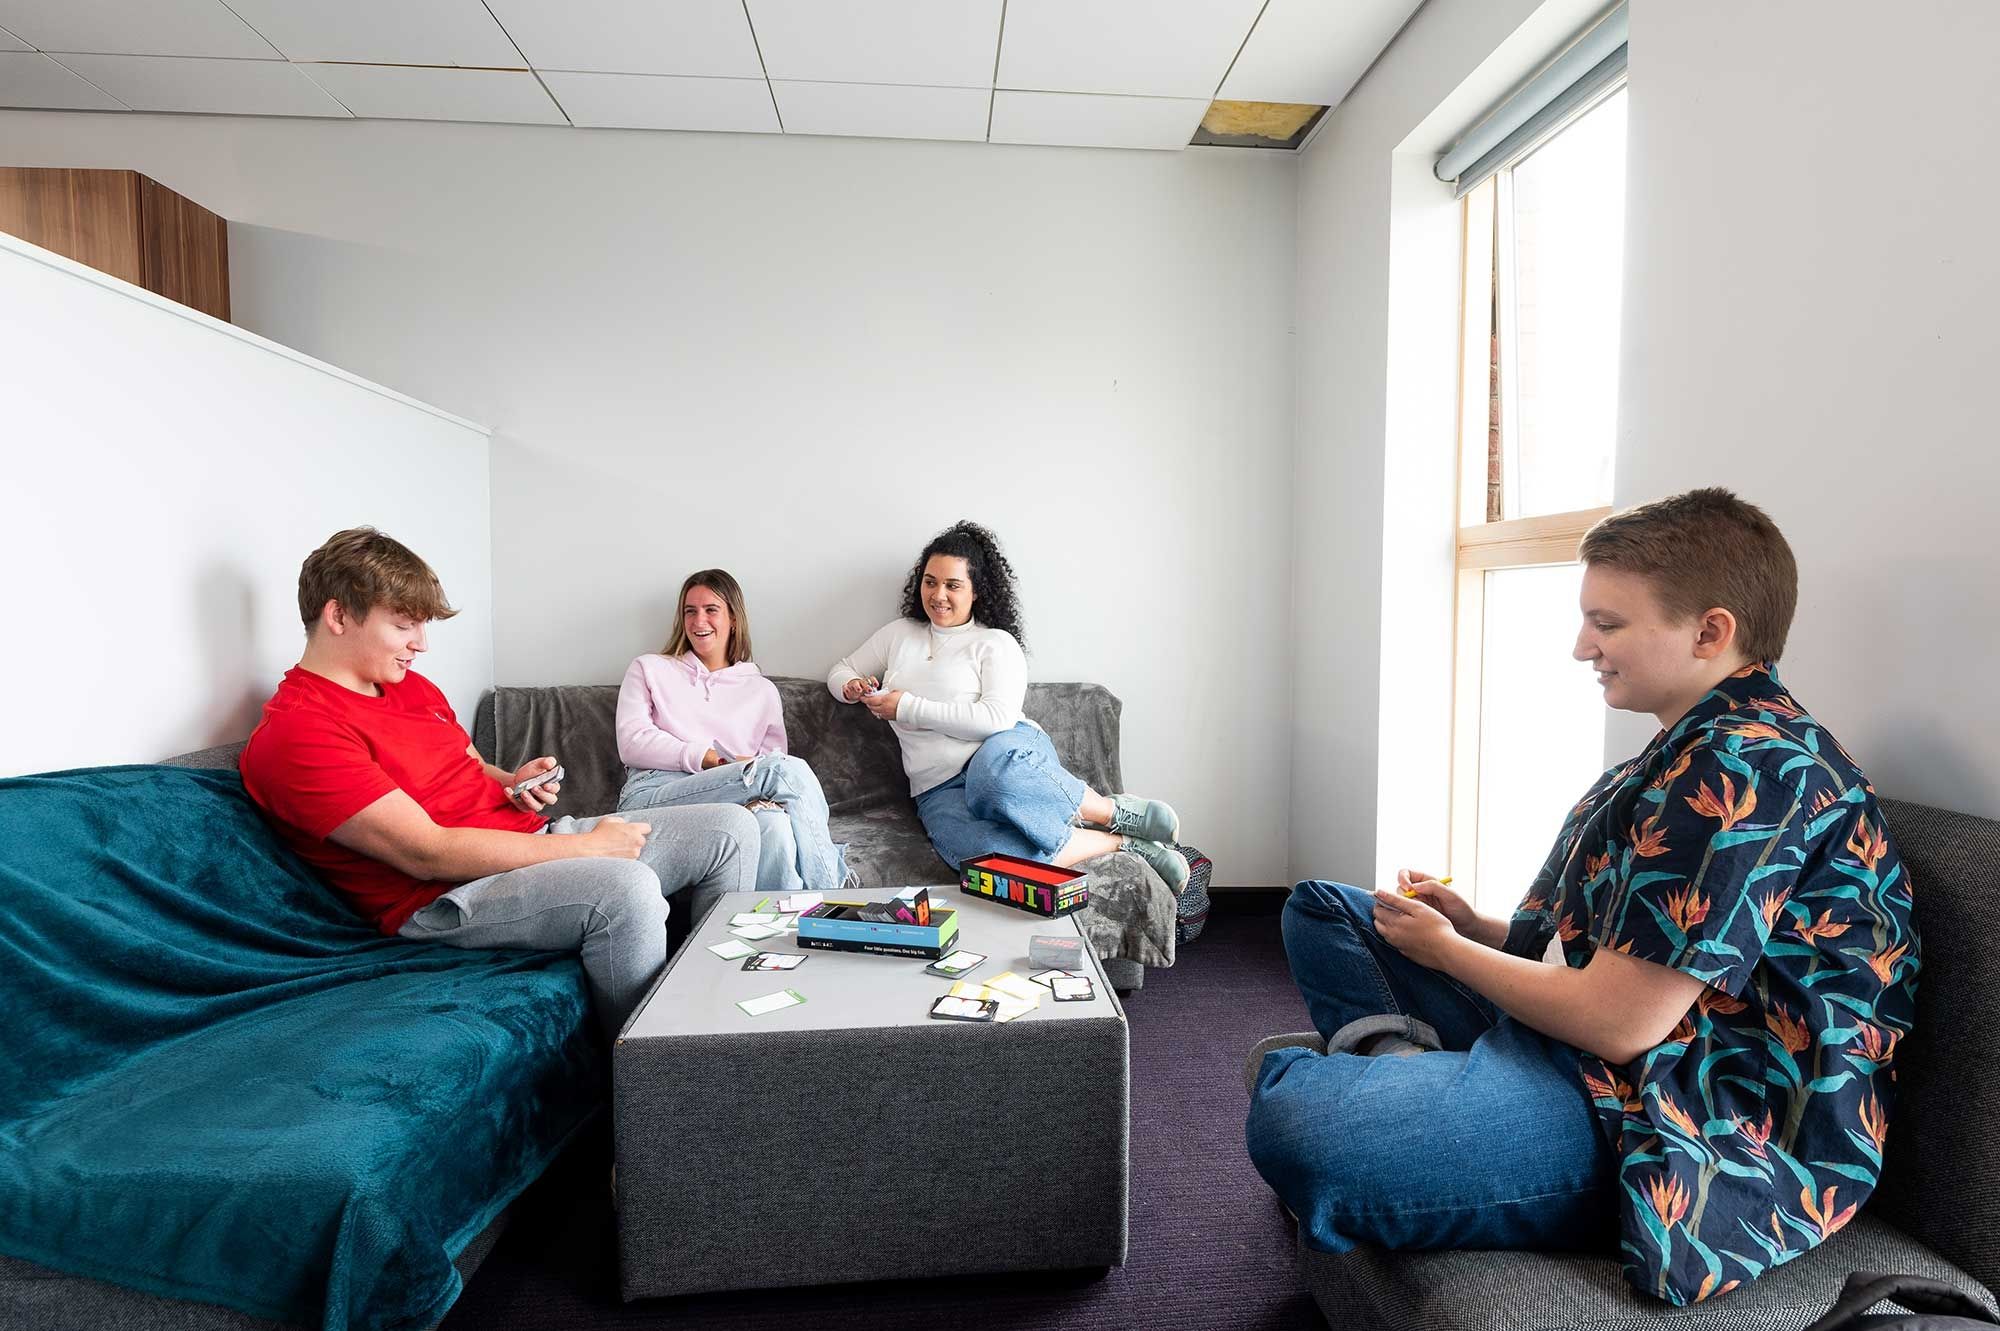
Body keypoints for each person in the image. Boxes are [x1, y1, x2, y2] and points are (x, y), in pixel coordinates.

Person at [1244, 489, 1918, 1305]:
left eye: (1607, 623)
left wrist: (1449, 953)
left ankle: (1414, 1084)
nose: (1580, 647)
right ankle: (1420, 1073)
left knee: (1299, 1122)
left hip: (1675, 1112)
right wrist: (1476, 927)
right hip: (1601, 1047)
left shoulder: (1750, 767)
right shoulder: (1692, 745)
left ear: (1711, 631)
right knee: (1324, 909)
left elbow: (1621, 1022)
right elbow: (1622, 953)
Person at [238, 527, 759, 1039]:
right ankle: (655, 1078)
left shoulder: (408, 685)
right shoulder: (299, 731)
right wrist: (586, 849)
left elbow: (464, 764)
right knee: (626, 890)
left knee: (733, 829)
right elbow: (427, 853)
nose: (420, 644)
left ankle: (716, 1025)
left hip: (527, 842)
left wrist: (513, 782)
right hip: (449, 894)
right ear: (338, 616)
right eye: (403, 626)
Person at [827, 520, 1188, 893]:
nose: (938, 595)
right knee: (988, 866)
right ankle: (1124, 845)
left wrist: (906, 708)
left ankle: (1116, 814)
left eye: (953, 585)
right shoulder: (897, 635)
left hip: (1002, 753)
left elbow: (995, 720)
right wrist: (852, 687)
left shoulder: (995, 643)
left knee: (993, 781)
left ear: (977, 591)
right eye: (930, 581)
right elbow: (840, 671)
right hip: (937, 788)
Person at [615, 568, 845, 893]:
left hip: (733, 804)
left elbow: (770, 777)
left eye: (711, 610)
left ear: (733, 618)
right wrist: (710, 758)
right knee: (783, 770)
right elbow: (632, 743)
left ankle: (778, 933)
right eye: (690, 611)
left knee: (774, 826)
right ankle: (834, 899)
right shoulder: (649, 668)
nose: (699, 622)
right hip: (653, 793)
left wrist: (744, 774)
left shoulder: (761, 690)